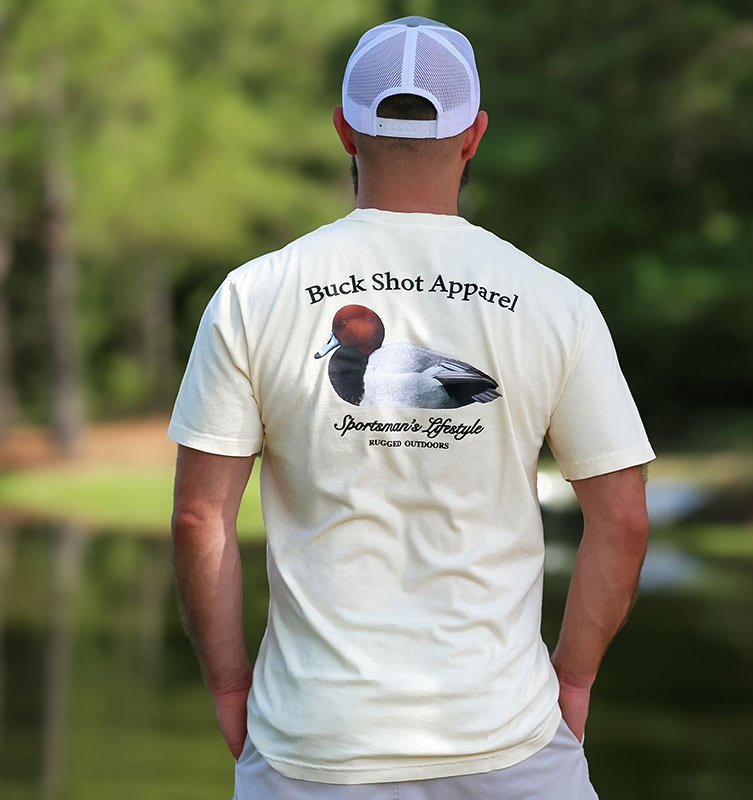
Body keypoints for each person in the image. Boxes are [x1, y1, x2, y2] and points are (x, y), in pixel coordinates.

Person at [168, 15, 655, 800]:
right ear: (474, 136)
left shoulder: (251, 295)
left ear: (343, 130)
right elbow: (623, 519)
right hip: (510, 739)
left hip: (313, 747)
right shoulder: (556, 303)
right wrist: (571, 681)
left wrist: (230, 686)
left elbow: (200, 519)